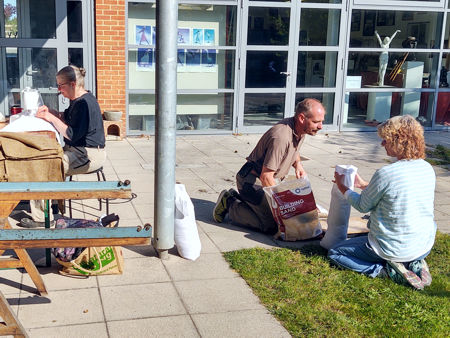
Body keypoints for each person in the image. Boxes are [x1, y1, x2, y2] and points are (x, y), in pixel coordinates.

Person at [328, 115, 436, 289]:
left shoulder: (386, 173)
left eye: (385, 140)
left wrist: (343, 188)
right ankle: (415, 262)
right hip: (423, 245)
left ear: (399, 141)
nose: (382, 145)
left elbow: (363, 205)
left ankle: (382, 270)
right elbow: (398, 190)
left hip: (391, 248)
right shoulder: (427, 168)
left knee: (336, 252)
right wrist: (364, 185)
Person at [213, 98, 326, 234]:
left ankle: (252, 204)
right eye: (316, 122)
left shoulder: (300, 129)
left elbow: (294, 149)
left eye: (321, 121)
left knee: (287, 216)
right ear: (302, 118)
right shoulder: (281, 137)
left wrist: (298, 165)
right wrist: (283, 206)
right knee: (272, 225)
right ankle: (230, 202)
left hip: (264, 179)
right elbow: (266, 177)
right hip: (251, 181)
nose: (320, 126)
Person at [20, 65, 106, 228]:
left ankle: (41, 218)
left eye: (61, 85)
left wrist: (51, 118)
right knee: (44, 156)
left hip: (88, 155)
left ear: (73, 84)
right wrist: (52, 112)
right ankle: (49, 202)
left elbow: (71, 134)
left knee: (44, 168)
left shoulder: (85, 104)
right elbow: (65, 117)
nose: (59, 90)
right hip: (78, 150)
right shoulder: (78, 101)